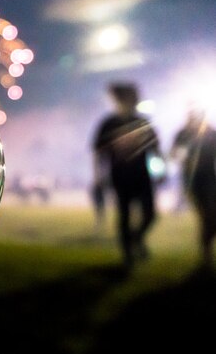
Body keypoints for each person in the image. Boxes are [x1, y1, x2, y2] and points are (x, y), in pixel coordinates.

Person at [92, 82, 162, 269]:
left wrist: (161, 171)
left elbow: (156, 148)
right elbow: (98, 152)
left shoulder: (143, 123)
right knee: (124, 215)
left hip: (142, 176)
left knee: (151, 214)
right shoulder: (108, 124)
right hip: (120, 177)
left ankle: (136, 238)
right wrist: (98, 176)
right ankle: (127, 255)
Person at [170, 105, 216, 271]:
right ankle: (206, 256)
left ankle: (206, 254)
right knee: (207, 216)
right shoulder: (182, 134)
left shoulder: (211, 132)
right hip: (192, 182)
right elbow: (174, 155)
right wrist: (182, 154)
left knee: (210, 218)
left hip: (211, 180)